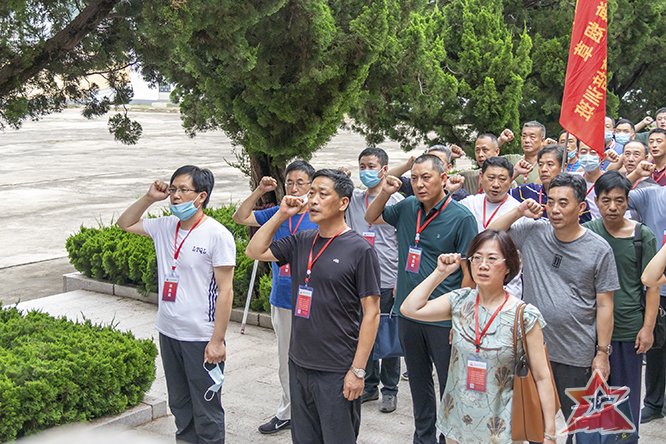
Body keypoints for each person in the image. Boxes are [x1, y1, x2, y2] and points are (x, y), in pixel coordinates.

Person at [245, 169, 381, 444]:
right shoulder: (302, 240)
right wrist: (281, 214)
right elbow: (254, 251)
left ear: (343, 202)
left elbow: (372, 312)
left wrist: (357, 371)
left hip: (336, 367)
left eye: (322, 194)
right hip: (299, 362)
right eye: (312, 193)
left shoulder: (359, 249)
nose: (313, 200)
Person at [489, 173, 619, 443]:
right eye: (550, 202)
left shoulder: (599, 249)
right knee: (537, 426)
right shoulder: (533, 232)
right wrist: (518, 211)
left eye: (563, 203)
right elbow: (490, 234)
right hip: (533, 350)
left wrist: (602, 353)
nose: (555, 209)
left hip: (575, 353)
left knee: (580, 428)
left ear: (581, 207)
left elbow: (605, 303)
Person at [400, 230, 558, 444]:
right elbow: (409, 309)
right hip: (457, 422)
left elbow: (542, 376)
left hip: (501, 429)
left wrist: (549, 432)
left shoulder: (523, 316)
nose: (483, 265)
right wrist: (440, 272)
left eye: (492, 259)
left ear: (509, 266)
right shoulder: (460, 301)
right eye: (477, 258)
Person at [117, 165, 235, 444]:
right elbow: (125, 223)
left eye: (183, 190)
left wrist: (217, 340)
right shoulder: (164, 226)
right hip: (169, 331)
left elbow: (226, 291)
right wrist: (149, 198)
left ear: (201, 196)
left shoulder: (217, 235)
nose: (175, 196)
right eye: (173, 189)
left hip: (200, 336)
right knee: (180, 404)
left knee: (206, 409)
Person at [365, 154, 478, 444]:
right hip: (408, 312)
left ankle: (450, 437)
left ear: (443, 178)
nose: (419, 184)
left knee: (449, 384)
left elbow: (469, 275)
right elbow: (371, 217)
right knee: (418, 381)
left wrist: (459, 318)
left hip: (442, 316)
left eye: (426, 177)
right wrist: (386, 192)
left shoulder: (462, 217)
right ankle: (424, 437)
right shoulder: (407, 207)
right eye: (414, 178)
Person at [231, 160, 317, 434]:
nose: (294, 188)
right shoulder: (277, 212)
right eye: (289, 182)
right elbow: (240, 217)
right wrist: (259, 191)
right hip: (283, 297)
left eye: (300, 183)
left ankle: (315, 411)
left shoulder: (318, 214)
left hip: (316, 300)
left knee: (316, 359)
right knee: (286, 360)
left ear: (311, 186)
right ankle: (288, 412)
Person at [583, 172, 659, 439]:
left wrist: (647, 328)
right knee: (591, 407)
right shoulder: (587, 233)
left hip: (628, 330)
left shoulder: (642, 236)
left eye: (619, 200)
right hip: (589, 332)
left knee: (625, 403)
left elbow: (652, 287)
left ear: (628, 201)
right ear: (596, 201)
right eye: (606, 200)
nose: (613, 207)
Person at [346, 147, 403, 413]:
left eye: (371, 166)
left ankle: (390, 389)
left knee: (388, 333)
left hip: (388, 277)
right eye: (362, 166)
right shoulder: (354, 199)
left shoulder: (398, 202)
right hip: (358, 278)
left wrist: (401, 279)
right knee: (363, 333)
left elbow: (404, 243)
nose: (365, 171)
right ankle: (369, 384)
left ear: (384, 170)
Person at [624, 184, 666, 423]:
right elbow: (649, 278)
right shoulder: (652, 194)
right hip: (658, 290)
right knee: (657, 348)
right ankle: (653, 403)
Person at [387, 145, 468, 201]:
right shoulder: (416, 183)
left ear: (449, 167)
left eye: (438, 162)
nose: (431, 166)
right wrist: (408, 165)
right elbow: (386, 178)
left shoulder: (458, 194)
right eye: (429, 161)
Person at [505, 121, 547, 185]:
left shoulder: (546, 166)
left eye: (532, 137)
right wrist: (501, 140)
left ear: (542, 141)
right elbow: (489, 160)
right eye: (524, 136)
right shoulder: (511, 160)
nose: (526, 140)